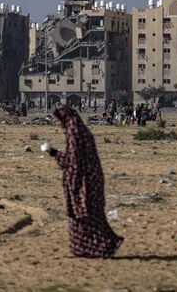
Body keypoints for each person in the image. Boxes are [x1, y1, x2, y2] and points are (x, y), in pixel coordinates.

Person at [41, 104, 123, 258]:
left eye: (58, 120)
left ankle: (101, 246)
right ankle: (91, 248)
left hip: (85, 183)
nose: (57, 123)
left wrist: (52, 152)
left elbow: (72, 161)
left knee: (84, 214)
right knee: (90, 215)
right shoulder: (80, 130)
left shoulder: (75, 132)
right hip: (90, 180)